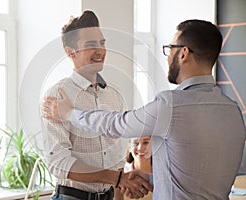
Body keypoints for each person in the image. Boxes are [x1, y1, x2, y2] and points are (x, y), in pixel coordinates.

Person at [43, 19, 246, 199]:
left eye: (170, 48)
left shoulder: (170, 105)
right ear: (70, 52)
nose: (167, 57)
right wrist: (146, 178)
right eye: (90, 44)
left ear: (183, 53)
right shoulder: (233, 111)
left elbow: (116, 125)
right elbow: (196, 178)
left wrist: (69, 113)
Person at [42, 10, 151, 200]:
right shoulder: (57, 95)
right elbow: (58, 163)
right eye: (91, 45)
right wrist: (117, 179)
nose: (100, 50)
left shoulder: (115, 96)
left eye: (102, 43)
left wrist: (119, 187)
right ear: (70, 52)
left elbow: (116, 157)